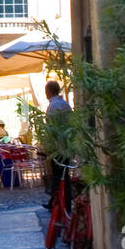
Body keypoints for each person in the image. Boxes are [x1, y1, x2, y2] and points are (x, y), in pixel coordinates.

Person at [42, 79, 72, 207]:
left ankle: (57, 202)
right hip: (65, 144)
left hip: (58, 146)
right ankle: (62, 201)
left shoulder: (54, 106)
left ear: (48, 91)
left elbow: (52, 128)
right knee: (64, 174)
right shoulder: (65, 104)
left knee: (58, 175)